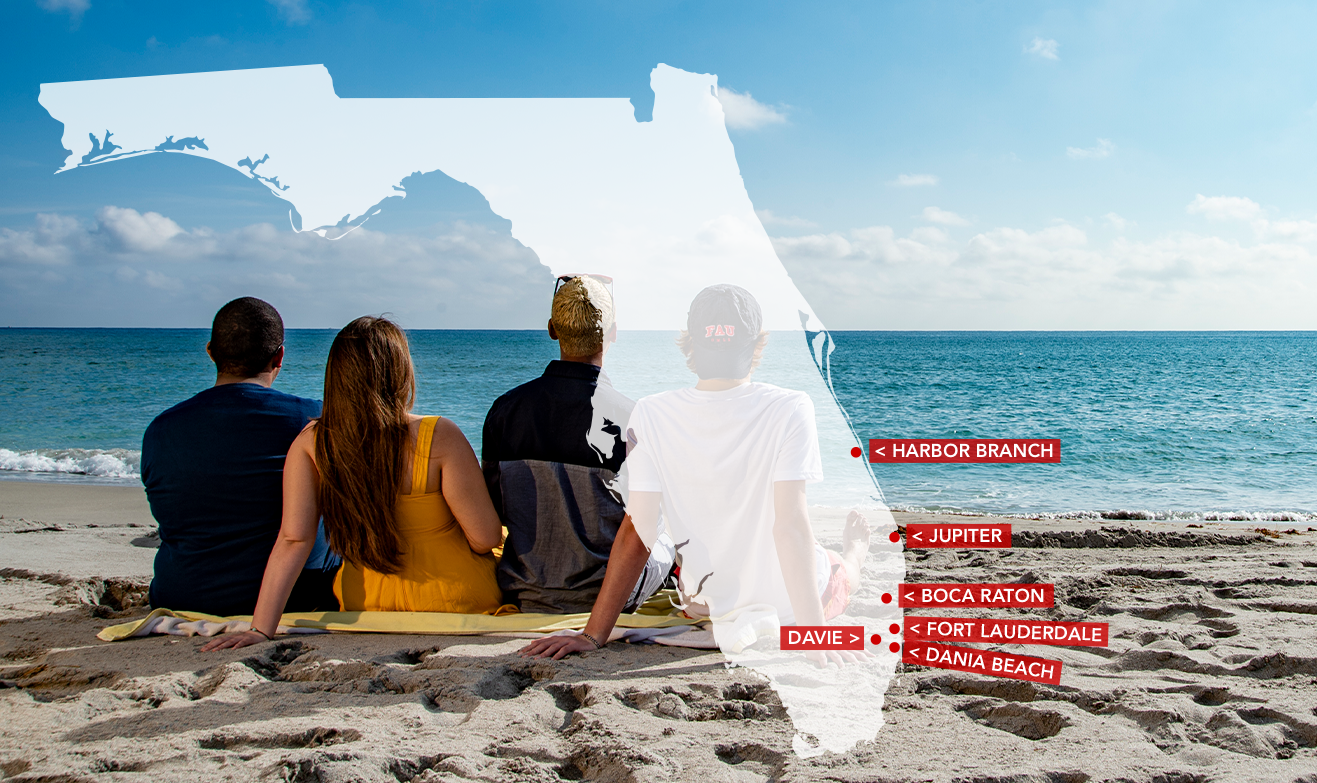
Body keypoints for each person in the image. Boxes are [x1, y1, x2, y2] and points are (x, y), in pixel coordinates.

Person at [522, 284, 869, 660]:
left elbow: (638, 531)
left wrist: (592, 636)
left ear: (689, 344)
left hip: (706, 606)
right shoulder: (791, 407)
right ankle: (855, 553)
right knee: (840, 572)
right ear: (756, 346)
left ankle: (850, 553)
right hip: (787, 605)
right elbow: (789, 526)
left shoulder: (652, 414)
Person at [203, 316, 505, 650]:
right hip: (456, 600)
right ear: (400, 372)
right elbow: (484, 538)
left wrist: (261, 629)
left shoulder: (311, 444)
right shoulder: (440, 435)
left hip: (366, 605)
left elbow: (293, 541)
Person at [482, 274, 673, 613]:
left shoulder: (505, 411)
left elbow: (497, 510)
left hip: (526, 588)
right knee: (667, 529)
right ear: (612, 334)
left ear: (553, 329)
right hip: (608, 597)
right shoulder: (633, 420)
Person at [141, 297, 340, 617]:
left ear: (210, 352)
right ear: (280, 356)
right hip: (296, 597)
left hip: (181, 596)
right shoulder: (314, 418)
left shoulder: (160, 429)